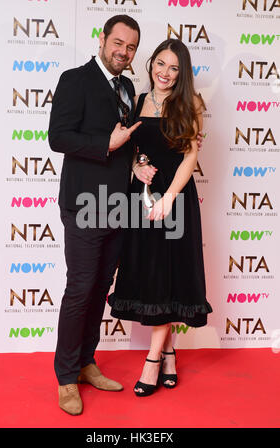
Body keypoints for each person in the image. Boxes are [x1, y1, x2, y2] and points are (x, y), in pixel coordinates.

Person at [48, 15, 141, 415]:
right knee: (80, 289)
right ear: (102, 39)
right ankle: (66, 378)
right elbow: (58, 137)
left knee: (100, 289)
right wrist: (106, 142)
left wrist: (135, 164)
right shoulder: (75, 79)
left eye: (131, 47)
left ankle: (87, 362)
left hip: (116, 206)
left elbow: (125, 144)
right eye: (117, 42)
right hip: (84, 204)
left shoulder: (128, 85)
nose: (123, 51)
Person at [109, 39, 213, 396]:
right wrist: (138, 166)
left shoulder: (191, 103)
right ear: (151, 63)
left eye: (174, 68)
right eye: (160, 64)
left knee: (168, 275)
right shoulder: (137, 101)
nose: (165, 73)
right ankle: (169, 352)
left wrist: (169, 199)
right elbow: (137, 150)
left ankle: (152, 360)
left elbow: (189, 156)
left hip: (176, 200)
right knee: (155, 277)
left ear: (182, 74)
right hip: (143, 199)